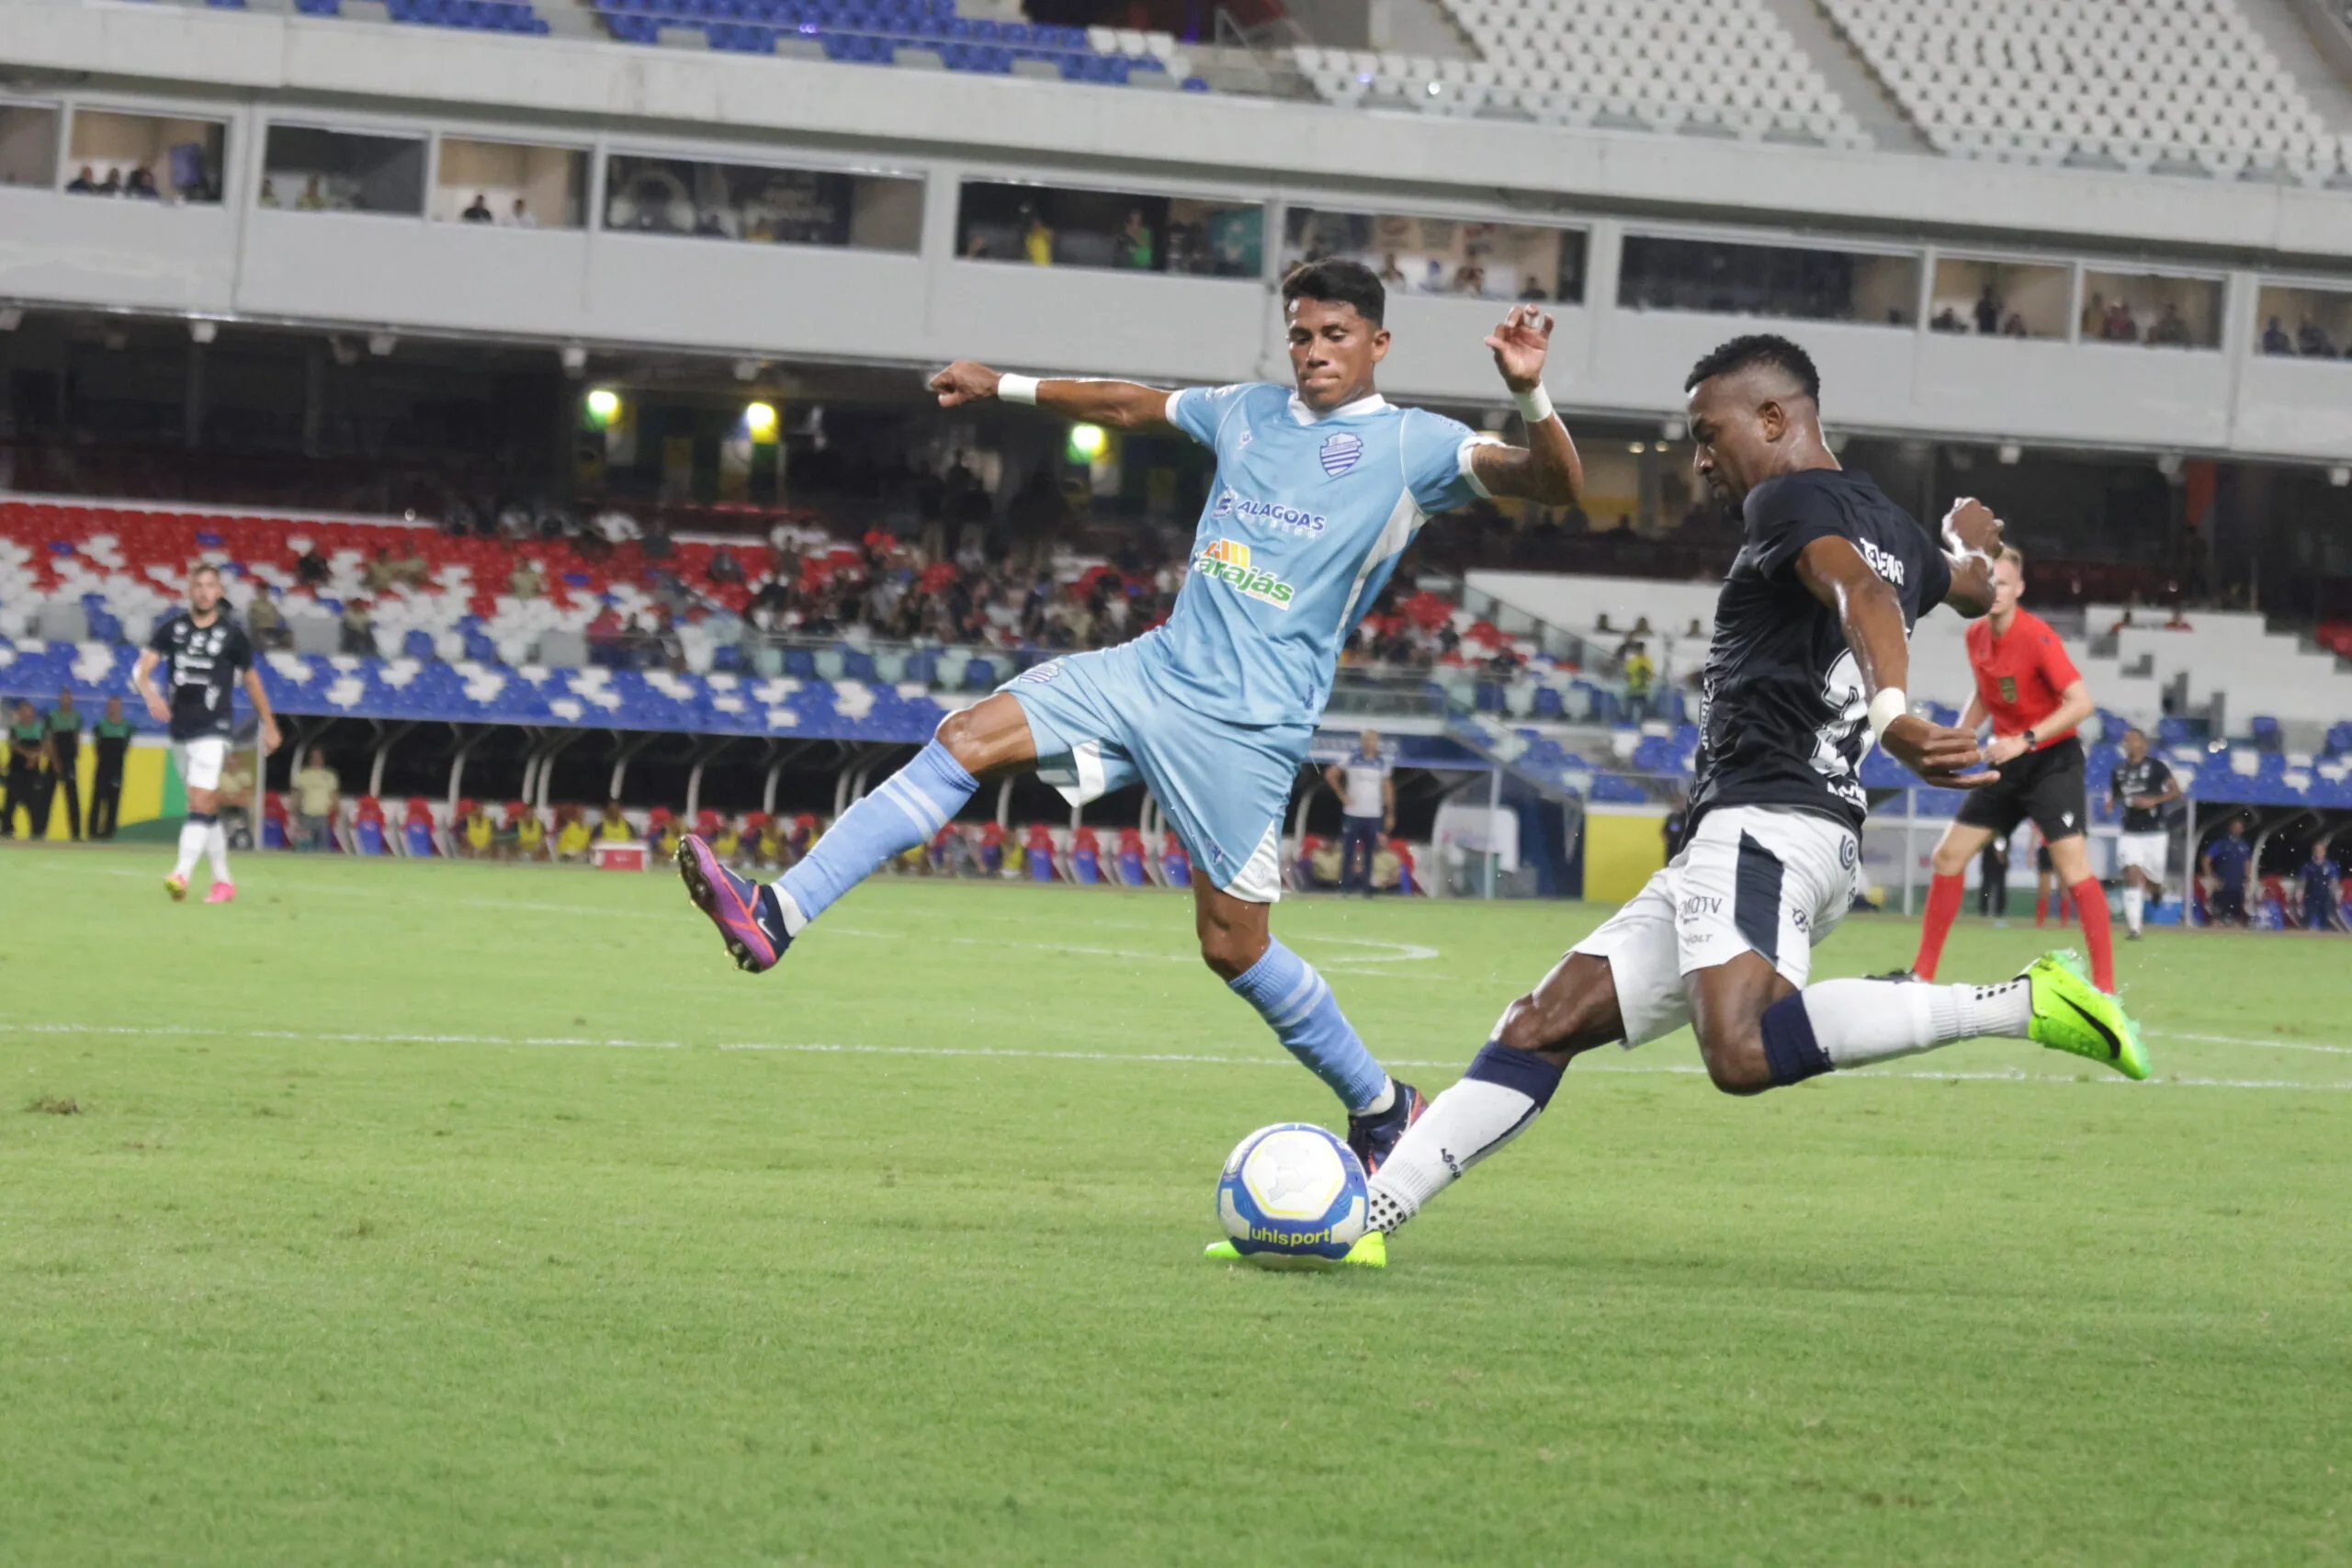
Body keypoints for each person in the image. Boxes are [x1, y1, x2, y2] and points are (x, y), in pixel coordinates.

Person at [673, 260, 1586, 1176]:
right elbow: (1127, 404)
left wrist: (1529, 393)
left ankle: (1384, 1107)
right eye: (1301, 334)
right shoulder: (1245, 411)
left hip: (1246, 727)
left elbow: (1550, 485)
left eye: (1335, 335)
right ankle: (778, 911)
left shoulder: (1411, 447)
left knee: (1233, 948)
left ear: (1377, 343)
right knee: (965, 738)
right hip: (1151, 670)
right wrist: (1007, 384)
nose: (1313, 352)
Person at [1354, 333, 2146, 1250]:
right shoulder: (1897, 533)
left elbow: (1854, 590)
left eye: (1706, 432)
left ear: (1774, 419)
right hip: (1771, 838)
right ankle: (1367, 1215)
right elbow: (1954, 586)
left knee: (1737, 1050)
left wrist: (1893, 711)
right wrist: (1962, 544)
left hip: (1767, 825)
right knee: (1541, 1023)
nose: (1698, 459)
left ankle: (2021, 1005)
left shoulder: (1787, 498)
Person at [1907, 546, 2112, 990]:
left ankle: (2107, 991)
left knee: (2074, 870)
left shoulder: (2038, 638)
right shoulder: (1975, 636)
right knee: (1948, 857)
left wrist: (2026, 740)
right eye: (1989, 583)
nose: (1995, 591)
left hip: (2050, 761)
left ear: (2018, 589)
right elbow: (1986, 692)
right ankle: (1921, 975)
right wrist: (1961, 736)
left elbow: (2082, 703)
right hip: (2006, 762)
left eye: (2003, 583)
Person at [132, 563, 280, 902]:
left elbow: (252, 681)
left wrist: (269, 723)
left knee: (200, 800)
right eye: (197, 585)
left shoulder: (232, 636)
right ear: (190, 590)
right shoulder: (171, 629)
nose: (203, 591)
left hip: (215, 729)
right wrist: (150, 693)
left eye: (210, 585)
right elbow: (142, 669)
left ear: (220, 592)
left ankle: (180, 874)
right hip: (181, 729)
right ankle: (223, 881)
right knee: (203, 806)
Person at [2109, 726, 2179, 941]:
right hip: (2130, 832)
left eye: (2132, 739)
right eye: (2125, 740)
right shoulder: (2119, 769)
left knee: (2153, 877)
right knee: (2132, 874)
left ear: (2143, 743)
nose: (2128, 743)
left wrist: (2153, 800)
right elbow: (2117, 792)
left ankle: (2157, 891)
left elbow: (2175, 790)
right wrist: (2112, 802)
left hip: (2155, 833)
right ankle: (2134, 928)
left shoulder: (2157, 767)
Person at [1325, 729, 1395, 897]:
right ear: (1362, 742)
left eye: (1373, 740)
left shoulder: (1382, 761)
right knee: (1348, 850)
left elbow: (1387, 788)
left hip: (1373, 813)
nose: (1370, 743)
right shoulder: (1351, 758)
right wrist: (1342, 795)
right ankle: (1345, 887)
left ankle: (1366, 888)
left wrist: (1390, 812)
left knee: (1370, 851)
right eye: (1367, 740)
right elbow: (1330, 774)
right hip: (1353, 812)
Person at [89, 696, 135, 840]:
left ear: (120, 707)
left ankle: (108, 833)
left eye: (116, 705)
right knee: (97, 800)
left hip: (117, 768)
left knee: (113, 801)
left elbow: (126, 747)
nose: (113, 708)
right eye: (110, 705)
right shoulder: (100, 725)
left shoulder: (127, 726)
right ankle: (93, 832)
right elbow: (97, 747)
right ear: (106, 707)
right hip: (102, 767)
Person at [4, 699, 48, 838]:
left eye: (28, 711)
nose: (25, 714)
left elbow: (44, 745)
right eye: (22, 711)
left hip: (33, 770)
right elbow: (14, 745)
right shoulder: (15, 728)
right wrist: (28, 755)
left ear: (33, 713)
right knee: (11, 801)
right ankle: (7, 830)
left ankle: (37, 831)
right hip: (16, 769)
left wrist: (34, 757)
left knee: (35, 802)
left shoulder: (39, 728)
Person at [46, 687, 84, 840]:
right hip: (55, 758)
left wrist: (75, 754)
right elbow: (49, 739)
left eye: (68, 697)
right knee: (46, 796)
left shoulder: (76, 716)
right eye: (63, 697)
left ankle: (76, 833)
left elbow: (76, 735)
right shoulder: (52, 716)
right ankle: (40, 830)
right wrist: (54, 761)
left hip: (69, 760)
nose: (66, 700)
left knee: (72, 797)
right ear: (60, 699)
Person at [2199, 818, 2252, 926]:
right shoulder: (2221, 844)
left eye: (2239, 827)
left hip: (2238, 885)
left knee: (2236, 918)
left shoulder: (2244, 845)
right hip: (2222, 883)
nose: (2237, 830)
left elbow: (2247, 863)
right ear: (2230, 828)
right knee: (2217, 916)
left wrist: (2248, 878)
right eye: (2235, 827)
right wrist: (2212, 877)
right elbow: (2206, 860)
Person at [291, 747, 340, 851]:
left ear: (323, 758)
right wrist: (294, 811)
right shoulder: (303, 775)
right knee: (303, 847)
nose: (316, 759)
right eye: (314, 756)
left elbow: (334, 796)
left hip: (323, 816)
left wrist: (337, 811)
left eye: (319, 756)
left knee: (323, 847)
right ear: (310, 758)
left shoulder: (329, 776)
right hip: (306, 815)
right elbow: (297, 795)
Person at [2297, 840, 2344, 932]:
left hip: (2325, 896)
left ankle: (2324, 939)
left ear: (2325, 852)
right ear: (2313, 852)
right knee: (2306, 919)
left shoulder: (2330, 866)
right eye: (2317, 851)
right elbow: (2302, 883)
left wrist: (2338, 899)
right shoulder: (2307, 866)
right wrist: (2299, 899)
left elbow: (2334, 883)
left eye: (2321, 850)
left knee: (2325, 921)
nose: (2319, 853)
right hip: (2311, 896)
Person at [1977, 832, 2010, 918]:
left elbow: (2003, 849)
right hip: (1988, 865)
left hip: (2000, 866)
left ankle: (1999, 911)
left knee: (2000, 890)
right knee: (1986, 889)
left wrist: (2001, 856)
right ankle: (1983, 910)